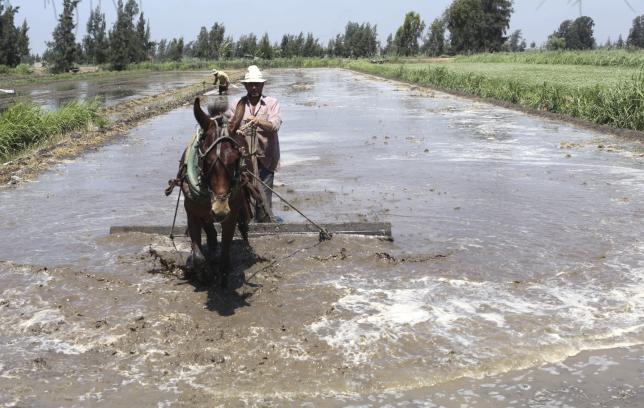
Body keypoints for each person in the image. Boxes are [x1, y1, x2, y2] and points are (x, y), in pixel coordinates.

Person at [227, 65, 282, 223]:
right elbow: (229, 127)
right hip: (244, 162)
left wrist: (257, 121)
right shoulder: (237, 105)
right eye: (250, 84)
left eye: (257, 84)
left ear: (262, 85)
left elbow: (275, 125)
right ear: (245, 86)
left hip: (266, 159)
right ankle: (247, 228)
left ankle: (264, 224)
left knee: (263, 200)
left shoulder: (271, 103)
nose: (254, 87)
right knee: (245, 199)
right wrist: (236, 132)